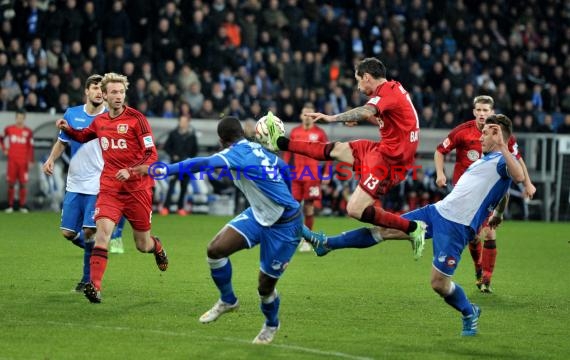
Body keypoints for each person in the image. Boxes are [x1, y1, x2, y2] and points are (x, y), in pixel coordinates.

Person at [304, 114, 525, 336]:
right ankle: (326, 243)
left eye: (486, 133)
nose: (481, 137)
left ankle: (469, 312)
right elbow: (500, 189)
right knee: (384, 230)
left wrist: (503, 146)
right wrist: (499, 210)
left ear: (499, 135)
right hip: (436, 212)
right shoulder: (485, 160)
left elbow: (518, 176)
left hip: (457, 228)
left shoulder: (501, 161)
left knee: (438, 283)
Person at [160, 116, 302, 344]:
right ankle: (228, 300)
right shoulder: (257, 147)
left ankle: (271, 324)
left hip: (284, 225)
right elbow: (284, 168)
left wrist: (163, 170)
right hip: (259, 214)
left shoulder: (233, 154)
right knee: (215, 250)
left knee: (265, 288)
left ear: (221, 140)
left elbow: (201, 164)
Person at [266, 57, 426, 258]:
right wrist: (368, 118)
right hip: (385, 150)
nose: (358, 87)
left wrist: (334, 118)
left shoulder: (387, 92)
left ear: (367, 77)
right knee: (337, 149)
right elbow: (395, 121)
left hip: (391, 160)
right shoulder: (394, 90)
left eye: (358, 80)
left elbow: (366, 110)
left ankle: (413, 228)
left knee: (354, 208)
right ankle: (280, 143)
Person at [55, 72, 168, 303]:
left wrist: (132, 170)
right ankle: (94, 286)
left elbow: (151, 154)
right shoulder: (101, 121)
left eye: (121, 92)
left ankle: (156, 247)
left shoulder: (137, 120)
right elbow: (84, 135)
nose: (118, 96)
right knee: (101, 234)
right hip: (110, 188)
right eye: (113, 92)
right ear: (104, 95)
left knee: (141, 244)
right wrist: (68, 129)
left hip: (137, 189)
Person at [434, 95, 537, 293]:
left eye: (486, 110)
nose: (482, 114)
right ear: (474, 112)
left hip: (490, 192)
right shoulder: (462, 132)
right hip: (466, 194)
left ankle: (486, 278)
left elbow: (517, 159)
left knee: (489, 231)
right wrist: (440, 173)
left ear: (492, 111)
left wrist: (528, 183)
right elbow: (440, 150)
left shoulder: (501, 134)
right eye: (479, 110)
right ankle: (478, 268)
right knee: (473, 237)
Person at [42, 74, 107, 292]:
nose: (99, 92)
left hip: (98, 183)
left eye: (102, 89)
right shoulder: (72, 114)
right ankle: (98, 251)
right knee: (68, 233)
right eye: (95, 88)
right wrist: (51, 159)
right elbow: (62, 142)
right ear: (87, 91)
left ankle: (87, 279)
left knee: (89, 230)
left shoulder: (110, 117)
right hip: (75, 182)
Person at [282, 102, 331, 252]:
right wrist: (284, 170)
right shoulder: (295, 132)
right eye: (305, 114)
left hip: (312, 176)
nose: (307, 117)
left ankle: (306, 240)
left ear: (314, 116)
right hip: (296, 176)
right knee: (293, 208)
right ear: (301, 116)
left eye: (310, 114)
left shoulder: (320, 133)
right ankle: (293, 238)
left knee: (308, 209)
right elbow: (288, 153)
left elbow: (328, 153)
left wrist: (327, 172)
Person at [160, 114, 198, 216]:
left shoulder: (192, 136)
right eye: (181, 121)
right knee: (171, 186)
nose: (183, 123)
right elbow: (166, 147)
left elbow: (195, 150)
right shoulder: (173, 134)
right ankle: (165, 207)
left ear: (188, 123)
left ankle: (180, 207)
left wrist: (190, 158)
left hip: (187, 165)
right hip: (175, 165)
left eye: (185, 121)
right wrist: (173, 155)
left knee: (184, 187)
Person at [1, 110, 34, 213]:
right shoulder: (9, 129)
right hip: (12, 161)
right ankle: (10, 205)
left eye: (21, 117)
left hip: (23, 162)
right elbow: (1, 139)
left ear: (24, 118)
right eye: (18, 117)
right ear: (16, 118)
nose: (19, 119)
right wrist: (4, 149)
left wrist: (30, 160)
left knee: (23, 184)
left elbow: (30, 147)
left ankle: (22, 205)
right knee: (11, 183)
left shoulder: (28, 132)